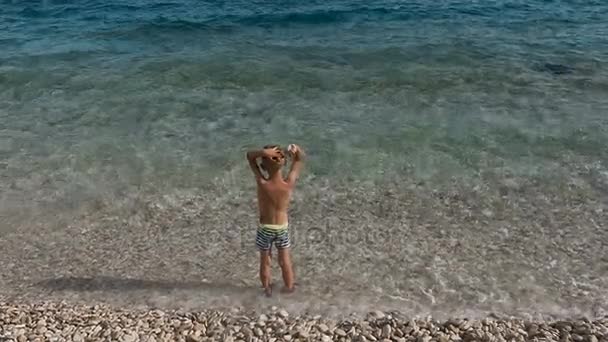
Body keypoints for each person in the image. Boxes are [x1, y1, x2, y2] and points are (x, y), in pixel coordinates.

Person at [246, 144, 305, 297]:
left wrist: (262, 152)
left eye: (277, 154)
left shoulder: (262, 183)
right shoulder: (288, 184)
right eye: (272, 155)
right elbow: (299, 161)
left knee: (266, 261)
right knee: (285, 261)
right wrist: (297, 151)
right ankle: (289, 288)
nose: (276, 155)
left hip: (265, 228)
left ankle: (267, 289)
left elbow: (249, 157)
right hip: (282, 228)